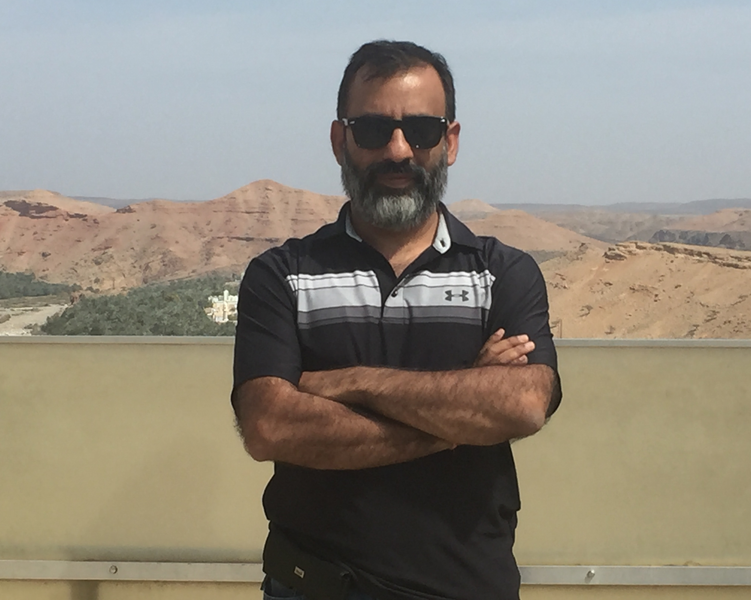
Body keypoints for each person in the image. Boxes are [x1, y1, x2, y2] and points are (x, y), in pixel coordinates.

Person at [232, 40, 561, 600]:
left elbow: (523, 404)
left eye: (423, 130)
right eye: (372, 129)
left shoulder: (502, 272)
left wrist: (350, 382)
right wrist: (458, 418)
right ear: (340, 140)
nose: (399, 150)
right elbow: (271, 427)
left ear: (450, 141)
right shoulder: (283, 274)